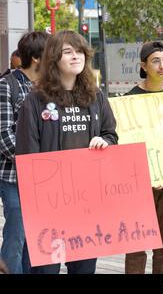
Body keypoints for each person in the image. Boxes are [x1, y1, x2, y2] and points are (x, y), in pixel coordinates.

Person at [15, 30, 118, 274]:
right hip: (49, 205)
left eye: (80, 51)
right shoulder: (35, 101)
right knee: (46, 270)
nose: (76, 56)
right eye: (68, 51)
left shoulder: (96, 97)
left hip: (86, 204)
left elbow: (111, 135)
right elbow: (27, 155)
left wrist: (104, 142)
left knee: (84, 269)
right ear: (53, 58)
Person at [124, 41, 163, 274]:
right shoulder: (128, 100)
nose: (162, 66)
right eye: (156, 61)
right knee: (136, 248)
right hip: (138, 184)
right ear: (144, 65)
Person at [0, 31, 49, 274]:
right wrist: (33, 162)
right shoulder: (6, 85)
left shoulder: (48, 88)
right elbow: (4, 136)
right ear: (38, 58)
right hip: (13, 177)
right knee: (16, 237)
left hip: (44, 178)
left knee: (36, 240)